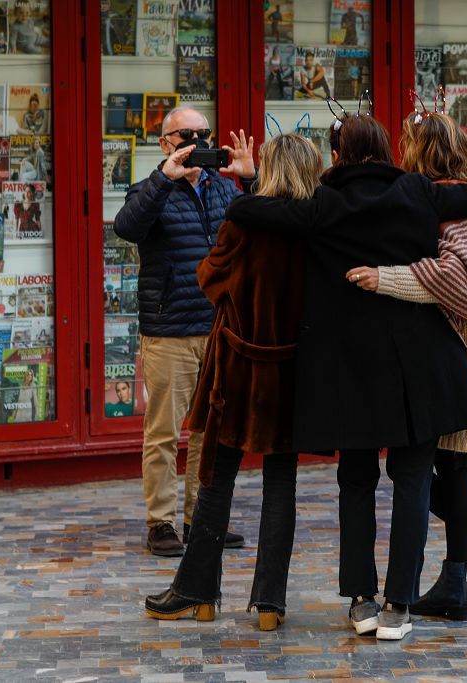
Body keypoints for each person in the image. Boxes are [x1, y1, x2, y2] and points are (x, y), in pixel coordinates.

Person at [226, 114, 467, 641]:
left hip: (347, 369)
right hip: (419, 362)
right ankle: (401, 603)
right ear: (385, 150)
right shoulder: (420, 191)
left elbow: (247, 209)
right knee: (413, 480)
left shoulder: (321, 205)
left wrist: (248, 176)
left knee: (356, 482)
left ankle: (362, 600)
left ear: (338, 156)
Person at [346, 110, 467, 621]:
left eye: (408, 144)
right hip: (464, 348)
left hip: (460, 350)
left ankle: (459, 577)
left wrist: (386, 278)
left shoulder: (456, 208)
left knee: (441, 469)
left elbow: (460, 283)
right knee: (441, 469)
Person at [144, 133, 316, 631]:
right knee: (282, 483)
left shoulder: (244, 220)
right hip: (291, 372)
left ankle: (197, 591)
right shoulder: (316, 226)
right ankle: (270, 603)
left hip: (237, 370)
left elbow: (210, 277)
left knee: (216, 477)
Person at [113, 106, 256, 557]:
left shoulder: (223, 189)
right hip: (169, 330)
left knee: (208, 432)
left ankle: (201, 518)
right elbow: (127, 227)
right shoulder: (151, 189)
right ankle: (161, 523)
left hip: (216, 329)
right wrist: (164, 178)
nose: (196, 141)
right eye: (185, 134)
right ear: (165, 143)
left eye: (203, 133)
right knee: (163, 432)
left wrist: (250, 180)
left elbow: (262, 226)